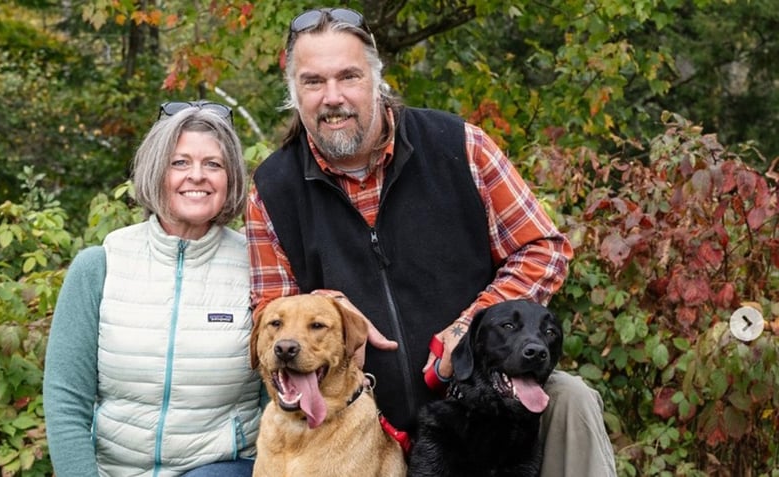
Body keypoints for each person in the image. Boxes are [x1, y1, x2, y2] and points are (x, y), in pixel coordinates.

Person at [245, 7, 617, 476]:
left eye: (349, 77)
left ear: (377, 80)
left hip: (476, 396)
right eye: (313, 82)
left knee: (571, 401)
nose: (333, 97)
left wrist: (467, 329)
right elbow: (270, 309)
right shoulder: (272, 187)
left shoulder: (460, 146)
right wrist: (325, 304)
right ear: (294, 93)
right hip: (359, 418)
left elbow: (542, 247)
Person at [44, 101, 262, 477]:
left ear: (232, 178)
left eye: (214, 164)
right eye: (180, 163)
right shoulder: (100, 266)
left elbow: (276, 394)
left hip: (222, 468)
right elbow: (66, 398)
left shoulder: (256, 267)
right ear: (155, 171)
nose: (197, 175)